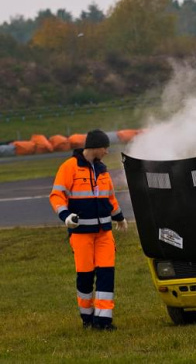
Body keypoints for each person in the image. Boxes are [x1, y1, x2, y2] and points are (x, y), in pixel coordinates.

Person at [49, 129, 128, 330]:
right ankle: (87, 318)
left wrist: (119, 217)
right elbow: (56, 196)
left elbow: (109, 197)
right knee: (85, 276)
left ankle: (104, 320)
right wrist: (65, 216)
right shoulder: (69, 167)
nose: (107, 153)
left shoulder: (102, 169)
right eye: (105, 148)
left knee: (106, 275)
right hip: (81, 234)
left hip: (104, 233)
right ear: (96, 147)